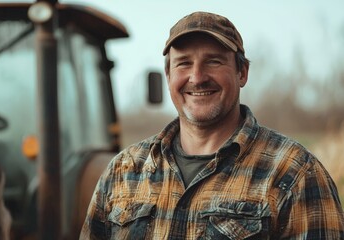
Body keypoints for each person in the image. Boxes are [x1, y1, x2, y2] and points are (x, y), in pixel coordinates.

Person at [80, 11, 344, 239]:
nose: (197, 77)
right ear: (169, 75)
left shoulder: (294, 173)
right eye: (183, 63)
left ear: (242, 73)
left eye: (214, 61)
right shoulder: (123, 170)